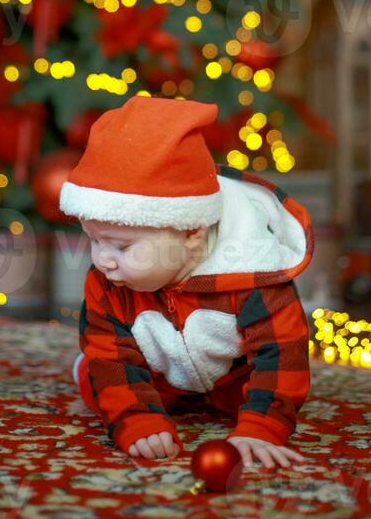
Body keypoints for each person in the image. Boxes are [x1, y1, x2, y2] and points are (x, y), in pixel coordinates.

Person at [60, 94, 313, 470]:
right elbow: (111, 353)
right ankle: (142, 400)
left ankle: (238, 404)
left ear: (191, 230)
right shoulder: (108, 282)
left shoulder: (252, 273)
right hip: (157, 373)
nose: (102, 258)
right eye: (94, 240)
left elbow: (283, 352)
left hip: (232, 376)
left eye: (123, 246)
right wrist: (138, 419)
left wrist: (262, 426)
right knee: (100, 380)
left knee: (264, 391)